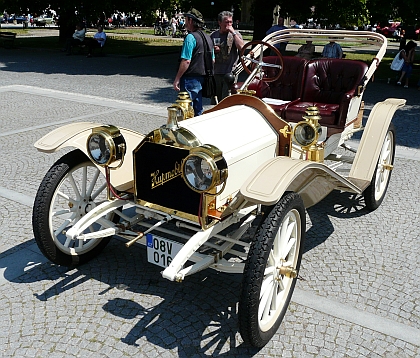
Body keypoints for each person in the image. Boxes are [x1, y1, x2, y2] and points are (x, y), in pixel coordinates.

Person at [173, 8, 214, 116]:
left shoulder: (190, 37)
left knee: (184, 110)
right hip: (203, 78)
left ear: (190, 20)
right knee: (198, 110)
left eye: (186, 19)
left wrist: (177, 78)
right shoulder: (208, 38)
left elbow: (186, 61)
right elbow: (212, 60)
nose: (185, 21)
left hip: (190, 78)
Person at [210, 11, 244, 103]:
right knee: (216, 100)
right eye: (226, 22)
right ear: (219, 23)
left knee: (227, 100)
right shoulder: (214, 35)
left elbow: (242, 48)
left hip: (230, 72)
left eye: (230, 22)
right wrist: (213, 49)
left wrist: (233, 32)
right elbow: (208, 53)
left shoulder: (235, 34)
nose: (229, 24)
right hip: (216, 72)